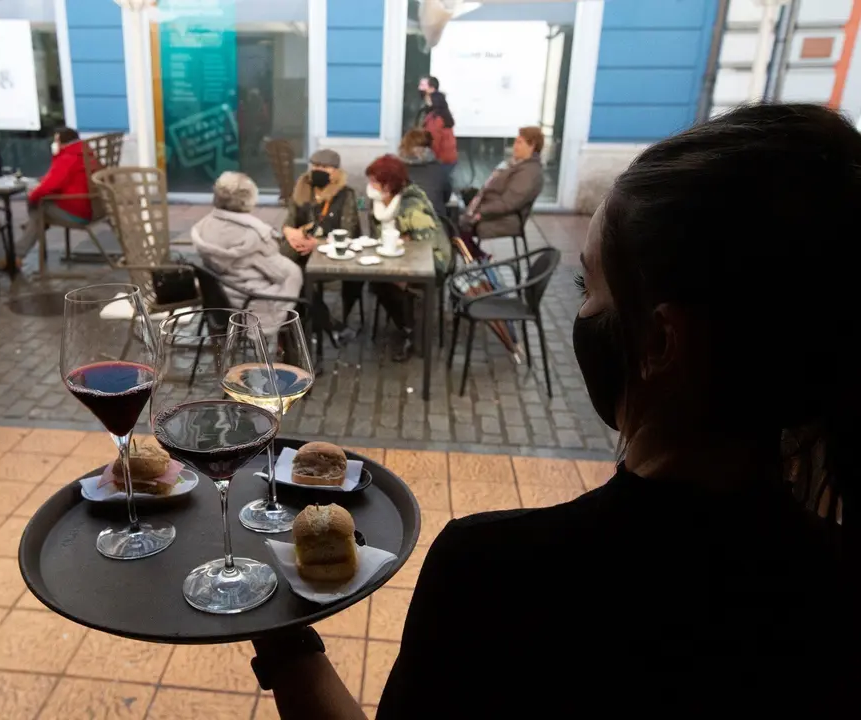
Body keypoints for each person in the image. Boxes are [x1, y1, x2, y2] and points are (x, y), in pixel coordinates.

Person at [251, 104, 858, 716]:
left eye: (587, 285)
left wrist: (283, 641)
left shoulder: (497, 573)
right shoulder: (834, 585)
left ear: (659, 342)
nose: (583, 315)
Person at [365, 154, 450, 362]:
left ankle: (413, 333)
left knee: (401, 284)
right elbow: (377, 236)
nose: (370, 185)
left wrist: (402, 242)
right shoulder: (378, 203)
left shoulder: (412, 205)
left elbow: (425, 247)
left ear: (389, 184)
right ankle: (406, 324)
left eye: (375, 181)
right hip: (394, 257)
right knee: (376, 281)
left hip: (432, 262)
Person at [192, 172, 302, 330]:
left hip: (219, 299)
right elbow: (280, 274)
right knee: (295, 278)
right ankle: (285, 341)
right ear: (248, 200)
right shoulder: (254, 235)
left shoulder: (202, 227)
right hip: (252, 303)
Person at [281, 148, 362, 340]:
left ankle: (316, 323)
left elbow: (348, 233)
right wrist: (292, 234)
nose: (318, 170)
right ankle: (322, 324)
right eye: (315, 165)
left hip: (330, 252)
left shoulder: (345, 194)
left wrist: (316, 243)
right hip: (301, 248)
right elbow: (288, 223)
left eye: (324, 167)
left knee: (295, 276)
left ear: (336, 171)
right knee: (290, 271)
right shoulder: (302, 188)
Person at [14, 128, 92, 264]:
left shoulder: (68, 157)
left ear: (62, 142)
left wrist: (32, 196)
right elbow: (56, 179)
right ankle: (24, 242)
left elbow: (51, 185)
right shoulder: (83, 153)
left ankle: (17, 256)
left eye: (56, 140)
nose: (54, 144)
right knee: (38, 214)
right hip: (85, 206)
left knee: (37, 208)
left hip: (75, 210)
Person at [463, 125, 544, 239]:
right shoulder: (517, 164)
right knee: (454, 219)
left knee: (456, 228)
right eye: (515, 142)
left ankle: (479, 256)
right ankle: (476, 255)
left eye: (519, 143)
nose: (515, 146)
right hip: (495, 211)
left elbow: (508, 203)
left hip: (506, 220)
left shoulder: (529, 173)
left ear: (532, 146)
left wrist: (479, 210)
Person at [398, 128, 448, 218]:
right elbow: (446, 196)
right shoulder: (438, 168)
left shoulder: (395, 168)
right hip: (435, 224)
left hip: (405, 223)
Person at [422, 91, 457, 173]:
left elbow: (434, 142)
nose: (426, 101)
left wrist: (428, 159)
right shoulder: (445, 116)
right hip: (450, 158)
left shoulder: (436, 120)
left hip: (441, 159)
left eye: (428, 99)